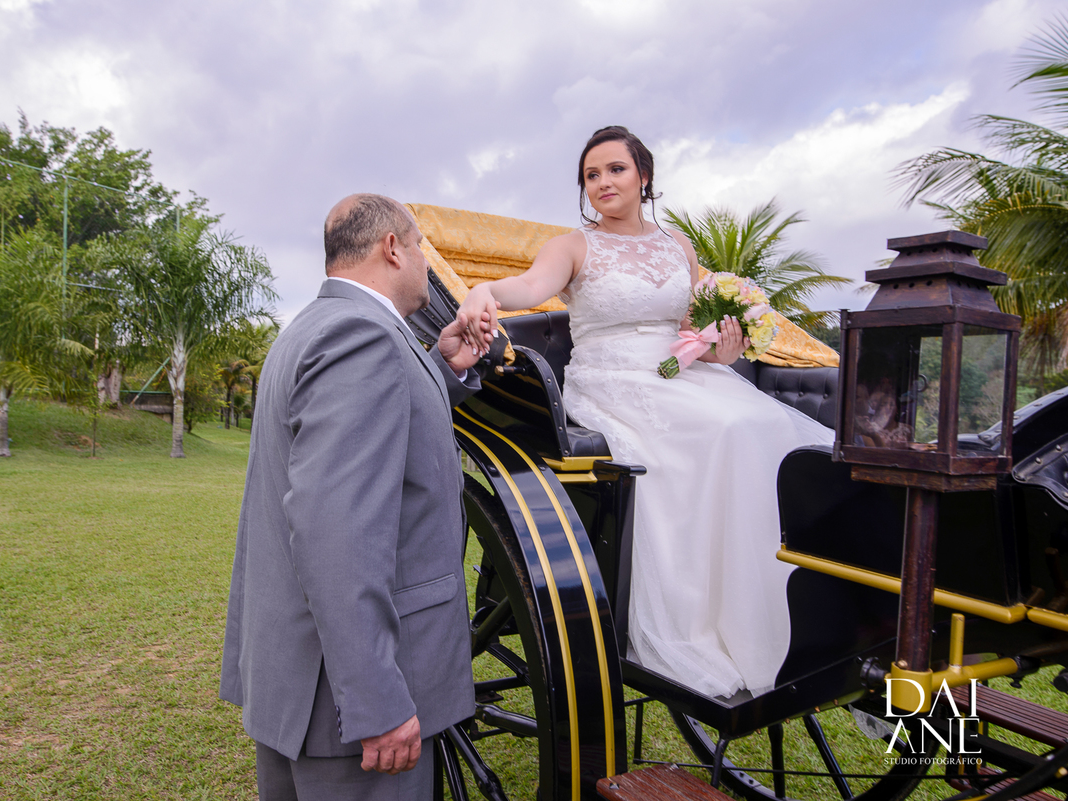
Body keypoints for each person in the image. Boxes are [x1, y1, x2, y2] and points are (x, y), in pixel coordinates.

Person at [457, 126, 834, 698]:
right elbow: (531, 285)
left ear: (644, 177)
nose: (602, 183)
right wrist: (485, 292)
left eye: (615, 170)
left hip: (681, 372)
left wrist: (722, 345)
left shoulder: (677, 244)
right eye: (591, 175)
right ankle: (704, 622)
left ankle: (780, 605)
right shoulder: (573, 245)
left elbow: (694, 329)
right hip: (612, 377)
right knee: (731, 427)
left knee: (766, 424)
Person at [220, 194, 495, 800]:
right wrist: (378, 702)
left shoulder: (312, 330)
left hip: (300, 686)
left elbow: (376, 434)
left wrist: (442, 368)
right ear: (392, 248)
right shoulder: (362, 339)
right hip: (347, 711)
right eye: (420, 246)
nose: (425, 261)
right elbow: (336, 533)